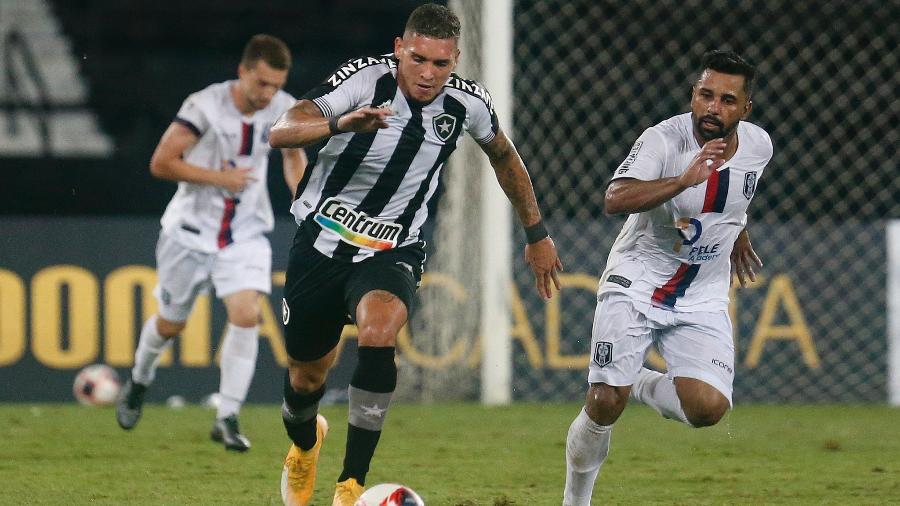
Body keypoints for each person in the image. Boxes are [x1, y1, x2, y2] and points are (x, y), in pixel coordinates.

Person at [268, 4, 563, 505]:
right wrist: (341, 124)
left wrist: (536, 233)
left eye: (441, 64)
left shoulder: (467, 104)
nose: (428, 74)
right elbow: (281, 130)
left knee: (379, 332)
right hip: (320, 245)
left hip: (393, 247)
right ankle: (304, 444)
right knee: (304, 380)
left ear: (456, 61)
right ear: (400, 48)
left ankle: (350, 486)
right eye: (418, 59)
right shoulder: (364, 80)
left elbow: (504, 155)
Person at [563, 49, 771, 505]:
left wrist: (737, 231)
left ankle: (631, 378)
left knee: (708, 409)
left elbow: (738, 194)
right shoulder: (662, 140)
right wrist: (681, 180)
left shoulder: (759, 145)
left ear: (745, 108)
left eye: (728, 100)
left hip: (701, 294)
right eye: (706, 95)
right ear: (693, 95)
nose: (714, 108)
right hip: (636, 282)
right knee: (602, 405)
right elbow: (615, 198)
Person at [116, 34, 307, 453]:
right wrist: (222, 179)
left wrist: (302, 197)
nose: (269, 94)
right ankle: (139, 379)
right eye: (262, 84)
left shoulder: (281, 108)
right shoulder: (203, 106)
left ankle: (227, 416)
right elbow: (161, 163)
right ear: (242, 72)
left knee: (246, 314)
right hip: (188, 233)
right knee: (171, 322)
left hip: (244, 233)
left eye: (276, 85)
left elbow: (293, 155)